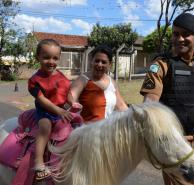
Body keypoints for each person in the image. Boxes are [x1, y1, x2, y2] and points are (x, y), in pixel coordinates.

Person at [140, 13, 194, 185]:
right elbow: (151, 102)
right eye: (175, 33)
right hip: (173, 143)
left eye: (185, 34)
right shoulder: (162, 65)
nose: (179, 39)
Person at [28, 39, 74, 180]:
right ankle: (39, 162)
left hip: (60, 109)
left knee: (79, 127)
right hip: (46, 111)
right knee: (45, 128)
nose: (51, 61)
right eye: (46, 57)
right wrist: (59, 111)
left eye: (55, 58)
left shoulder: (61, 77)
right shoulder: (34, 80)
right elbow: (42, 100)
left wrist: (71, 102)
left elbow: (68, 92)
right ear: (38, 57)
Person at [68, 44, 128, 122]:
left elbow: (121, 106)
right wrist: (73, 103)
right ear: (91, 61)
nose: (99, 65)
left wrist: (134, 116)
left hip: (106, 130)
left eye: (104, 62)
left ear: (109, 65)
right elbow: (71, 98)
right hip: (86, 131)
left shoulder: (112, 82)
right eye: (97, 61)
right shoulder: (82, 80)